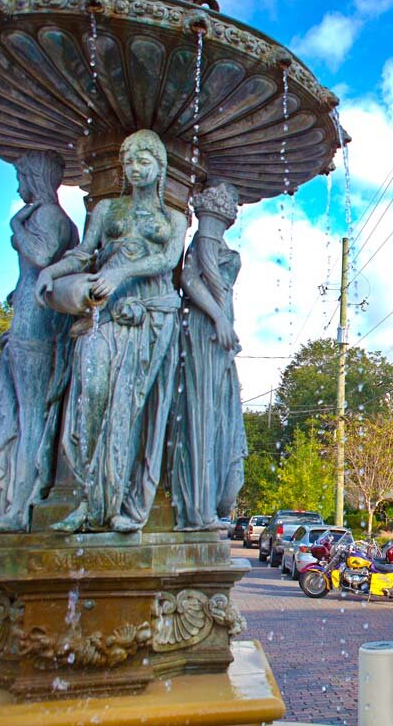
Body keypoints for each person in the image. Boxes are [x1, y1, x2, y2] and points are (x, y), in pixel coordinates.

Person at [36, 129, 187, 532]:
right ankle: (87, 496)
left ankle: (107, 506)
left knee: (125, 408)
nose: (135, 168)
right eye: (129, 161)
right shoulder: (105, 209)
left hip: (149, 316)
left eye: (144, 161)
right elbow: (83, 253)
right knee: (90, 400)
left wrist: (121, 271)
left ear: (160, 166)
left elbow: (167, 261)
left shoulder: (174, 219)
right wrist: (51, 271)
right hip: (102, 314)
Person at [0, 151, 78, 533]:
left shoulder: (48, 216)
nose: (19, 187)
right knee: (20, 414)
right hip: (33, 324)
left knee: (30, 416)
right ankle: (19, 503)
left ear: (35, 177)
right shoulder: (58, 219)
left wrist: (14, 226)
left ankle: (20, 509)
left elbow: (42, 255)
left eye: (21, 178)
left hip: (36, 328)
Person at [168, 182, 247, 530]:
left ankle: (204, 505)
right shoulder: (205, 240)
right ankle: (198, 509)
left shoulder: (210, 241)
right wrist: (218, 317)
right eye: (231, 201)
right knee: (202, 413)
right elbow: (188, 279)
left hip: (216, 334)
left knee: (213, 413)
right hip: (204, 330)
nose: (235, 206)